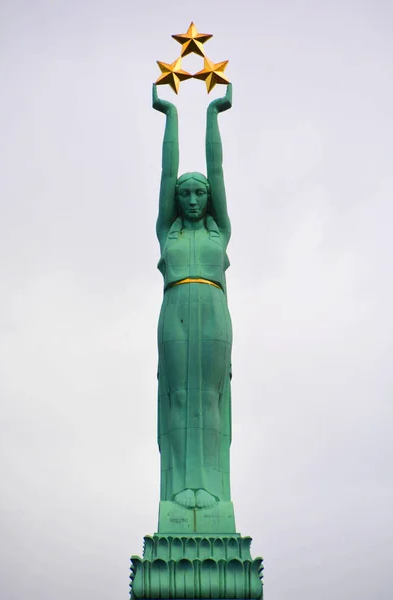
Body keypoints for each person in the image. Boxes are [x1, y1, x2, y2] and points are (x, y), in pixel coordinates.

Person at [153, 83, 233, 509]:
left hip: (213, 309)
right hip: (176, 307)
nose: (192, 199)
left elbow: (216, 170)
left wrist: (213, 115)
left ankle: (210, 487)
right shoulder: (168, 231)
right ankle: (183, 485)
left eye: (199, 193)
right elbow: (168, 174)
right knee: (179, 397)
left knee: (208, 397)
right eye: (185, 194)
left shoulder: (220, 231)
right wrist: (170, 115)